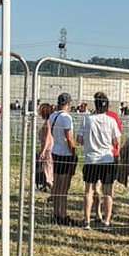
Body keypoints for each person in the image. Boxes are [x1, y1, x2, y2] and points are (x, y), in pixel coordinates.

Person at [77, 91, 121, 228]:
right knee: (108, 192)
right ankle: (106, 221)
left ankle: (87, 220)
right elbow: (117, 141)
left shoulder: (87, 120)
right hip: (107, 158)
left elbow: (79, 139)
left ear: (95, 105)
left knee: (89, 190)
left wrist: (90, 143)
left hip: (91, 159)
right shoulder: (111, 121)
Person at [42, 93, 77, 225]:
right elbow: (69, 137)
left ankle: (56, 212)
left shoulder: (53, 116)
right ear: (68, 104)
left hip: (56, 151)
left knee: (56, 185)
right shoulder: (66, 117)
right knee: (64, 187)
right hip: (65, 153)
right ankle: (62, 214)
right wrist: (73, 152)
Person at [34, 102, 55, 193]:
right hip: (47, 149)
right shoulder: (48, 122)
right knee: (48, 172)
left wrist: (43, 151)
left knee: (47, 174)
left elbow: (47, 138)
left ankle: (55, 193)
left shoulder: (47, 123)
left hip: (48, 150)